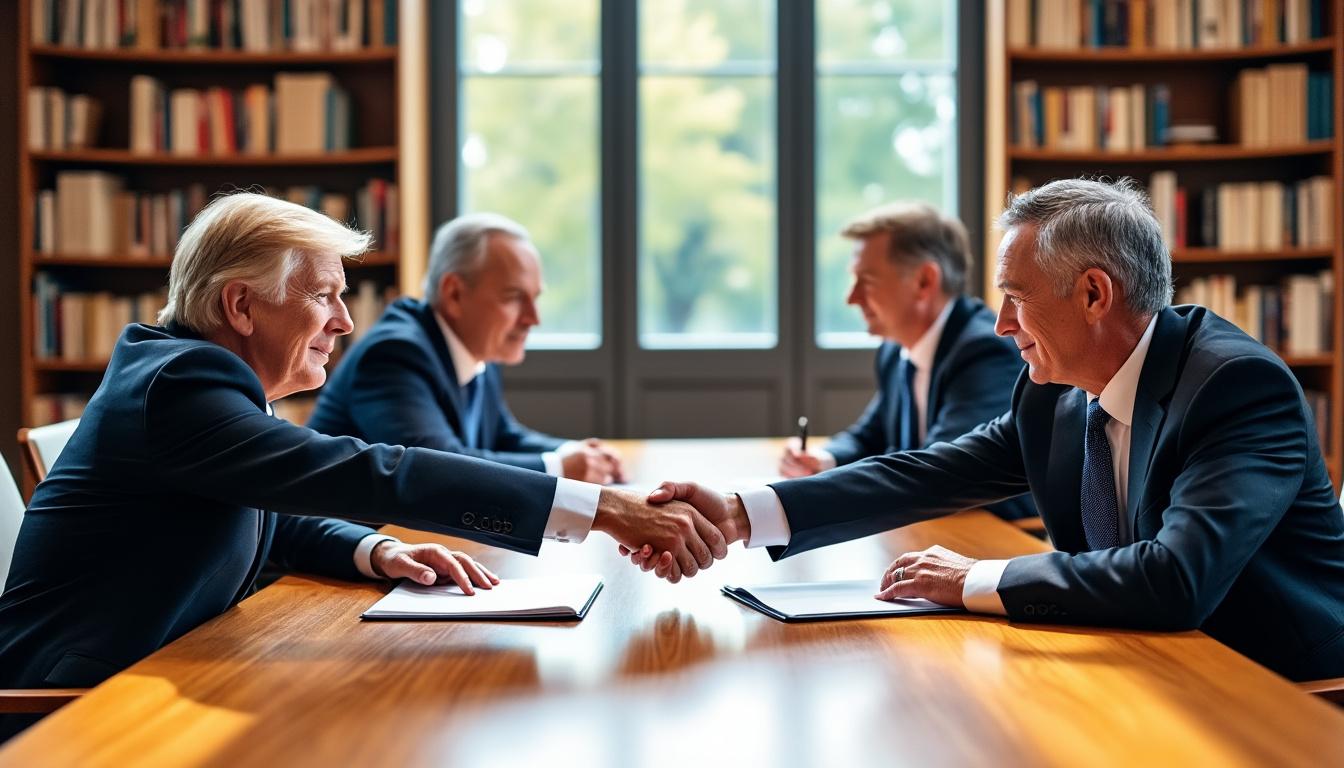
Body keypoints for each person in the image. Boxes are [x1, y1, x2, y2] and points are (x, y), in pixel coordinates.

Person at [0, 193, 724, 739]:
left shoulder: (194, 376)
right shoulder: (182, 388)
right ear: (242, 306)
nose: (345, 321)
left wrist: (377, 550)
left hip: (161, 681)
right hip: (81, 713)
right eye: (324, 295)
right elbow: (375, 471)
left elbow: (264, 514)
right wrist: (601, 509)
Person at [633, 178, 1344, 683]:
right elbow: (934, 471)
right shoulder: (1055, 393)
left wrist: (975, 578)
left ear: (1095, 293)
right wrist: (739, 513)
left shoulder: (1235, 389)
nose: (1002, 326)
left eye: (1016, 299)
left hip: (1264, 683)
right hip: (1138, 659)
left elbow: (1177, 578)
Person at [308, 213, 622, 483]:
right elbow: (438, 467)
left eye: (535, 298)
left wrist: (573, 453)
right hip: (342, 544)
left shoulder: (474, 345)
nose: (533, 318)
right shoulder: (394, 354)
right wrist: (559, 467)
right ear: (455, 294)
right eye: (514, 297)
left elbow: (503, 435)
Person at [779, 202, 1034, 521]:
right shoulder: (895, 350)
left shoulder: (984, 350)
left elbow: (938, 472)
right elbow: (868, 435)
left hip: (991, 535)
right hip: (926, 525)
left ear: (925, 281)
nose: (851, 297)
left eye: (867, 281)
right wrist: (823, 459)